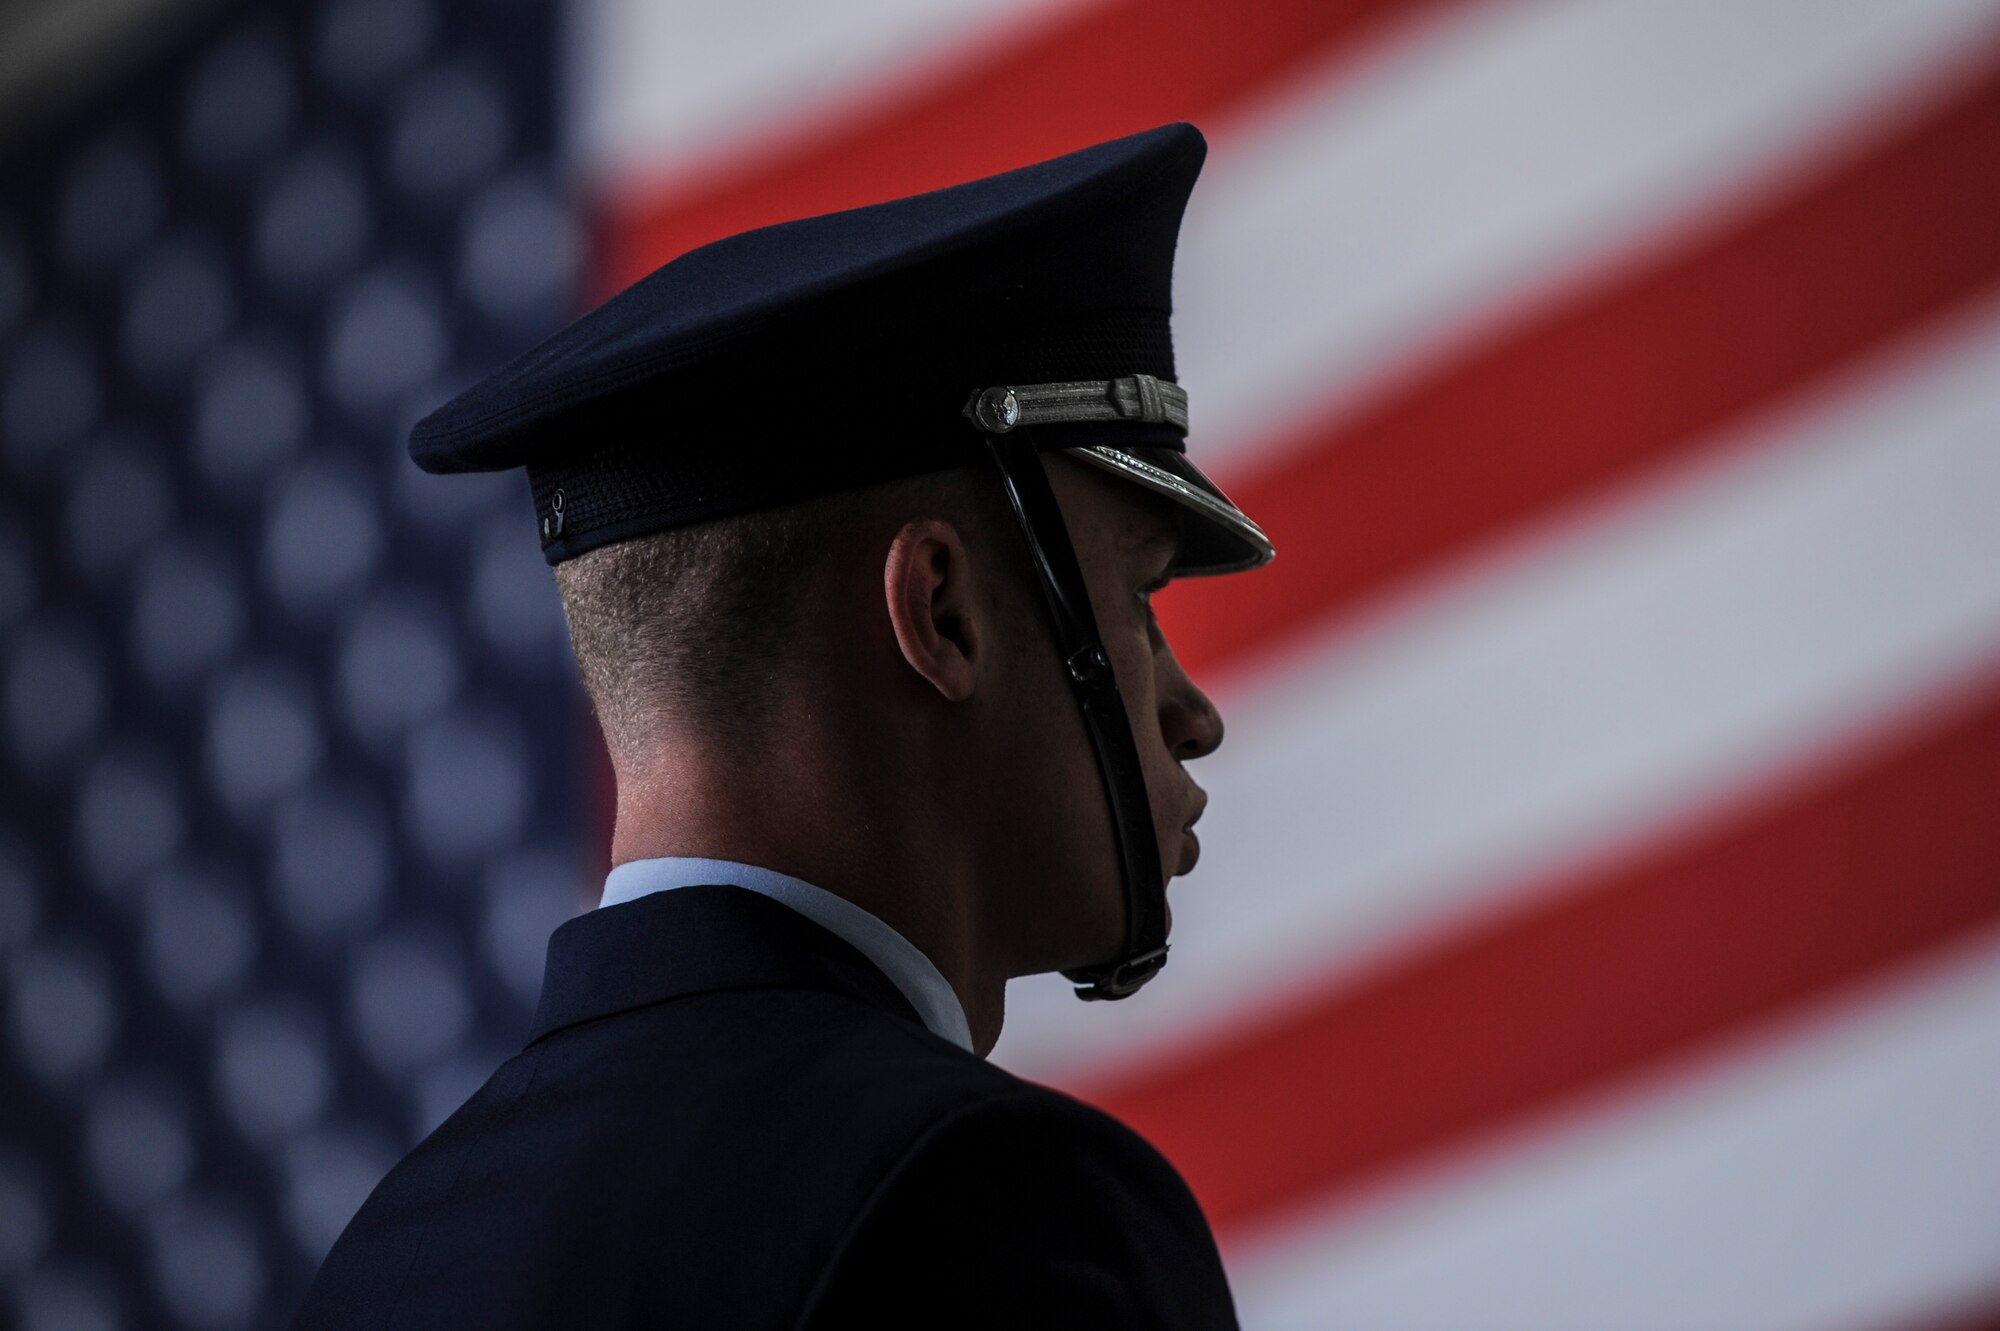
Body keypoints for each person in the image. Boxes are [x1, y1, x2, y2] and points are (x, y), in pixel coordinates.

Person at [290, 120, 1274, 1329]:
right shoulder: (989, 1199)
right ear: (942, 611)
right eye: (1140, 600)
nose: (1193, 711)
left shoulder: (389, 1257)